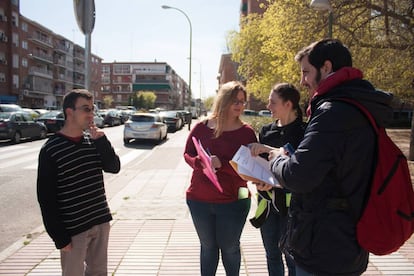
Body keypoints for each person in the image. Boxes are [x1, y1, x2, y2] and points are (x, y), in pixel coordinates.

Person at [268, 38, 393, 275]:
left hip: (324, 246)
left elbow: (298, 176)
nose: (302, 80)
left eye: (306, 72)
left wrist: (277, 158)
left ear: (325, 67)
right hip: (349, 238)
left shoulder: (332, 112)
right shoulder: (359, 105)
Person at [37, 89, 121, 276]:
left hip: (100, 221)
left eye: (92, 109)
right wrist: (59, 236)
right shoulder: (51, 149)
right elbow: (46, 198)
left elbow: (113, 167)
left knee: (99, 273)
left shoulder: (93, 141)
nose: (91, 114)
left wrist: (102, 141)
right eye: (85, 109)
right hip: (73, 229)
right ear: (69, 112)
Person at [183, 81, 258, 276]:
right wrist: (201, 161)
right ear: (223, 101)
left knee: (230, 247)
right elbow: (187, 153)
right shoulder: (201, 127)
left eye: (242, 101)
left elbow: (251, 168)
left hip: (235, 199)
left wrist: (222, 164)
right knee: (208, 248)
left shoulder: (247, 132)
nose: (240, 105)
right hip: (199, 199)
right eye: (235, 101)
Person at [249, 83, 306, 276]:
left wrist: (268, 149)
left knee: (292, 257)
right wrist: (258, 180)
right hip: (267, 204)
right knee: (272, 254)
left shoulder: (306, 132)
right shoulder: (266, 131)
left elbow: (301, 167)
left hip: (293, 208)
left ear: (288, 104)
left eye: (273, 102)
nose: (268, 106)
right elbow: (262, 167)